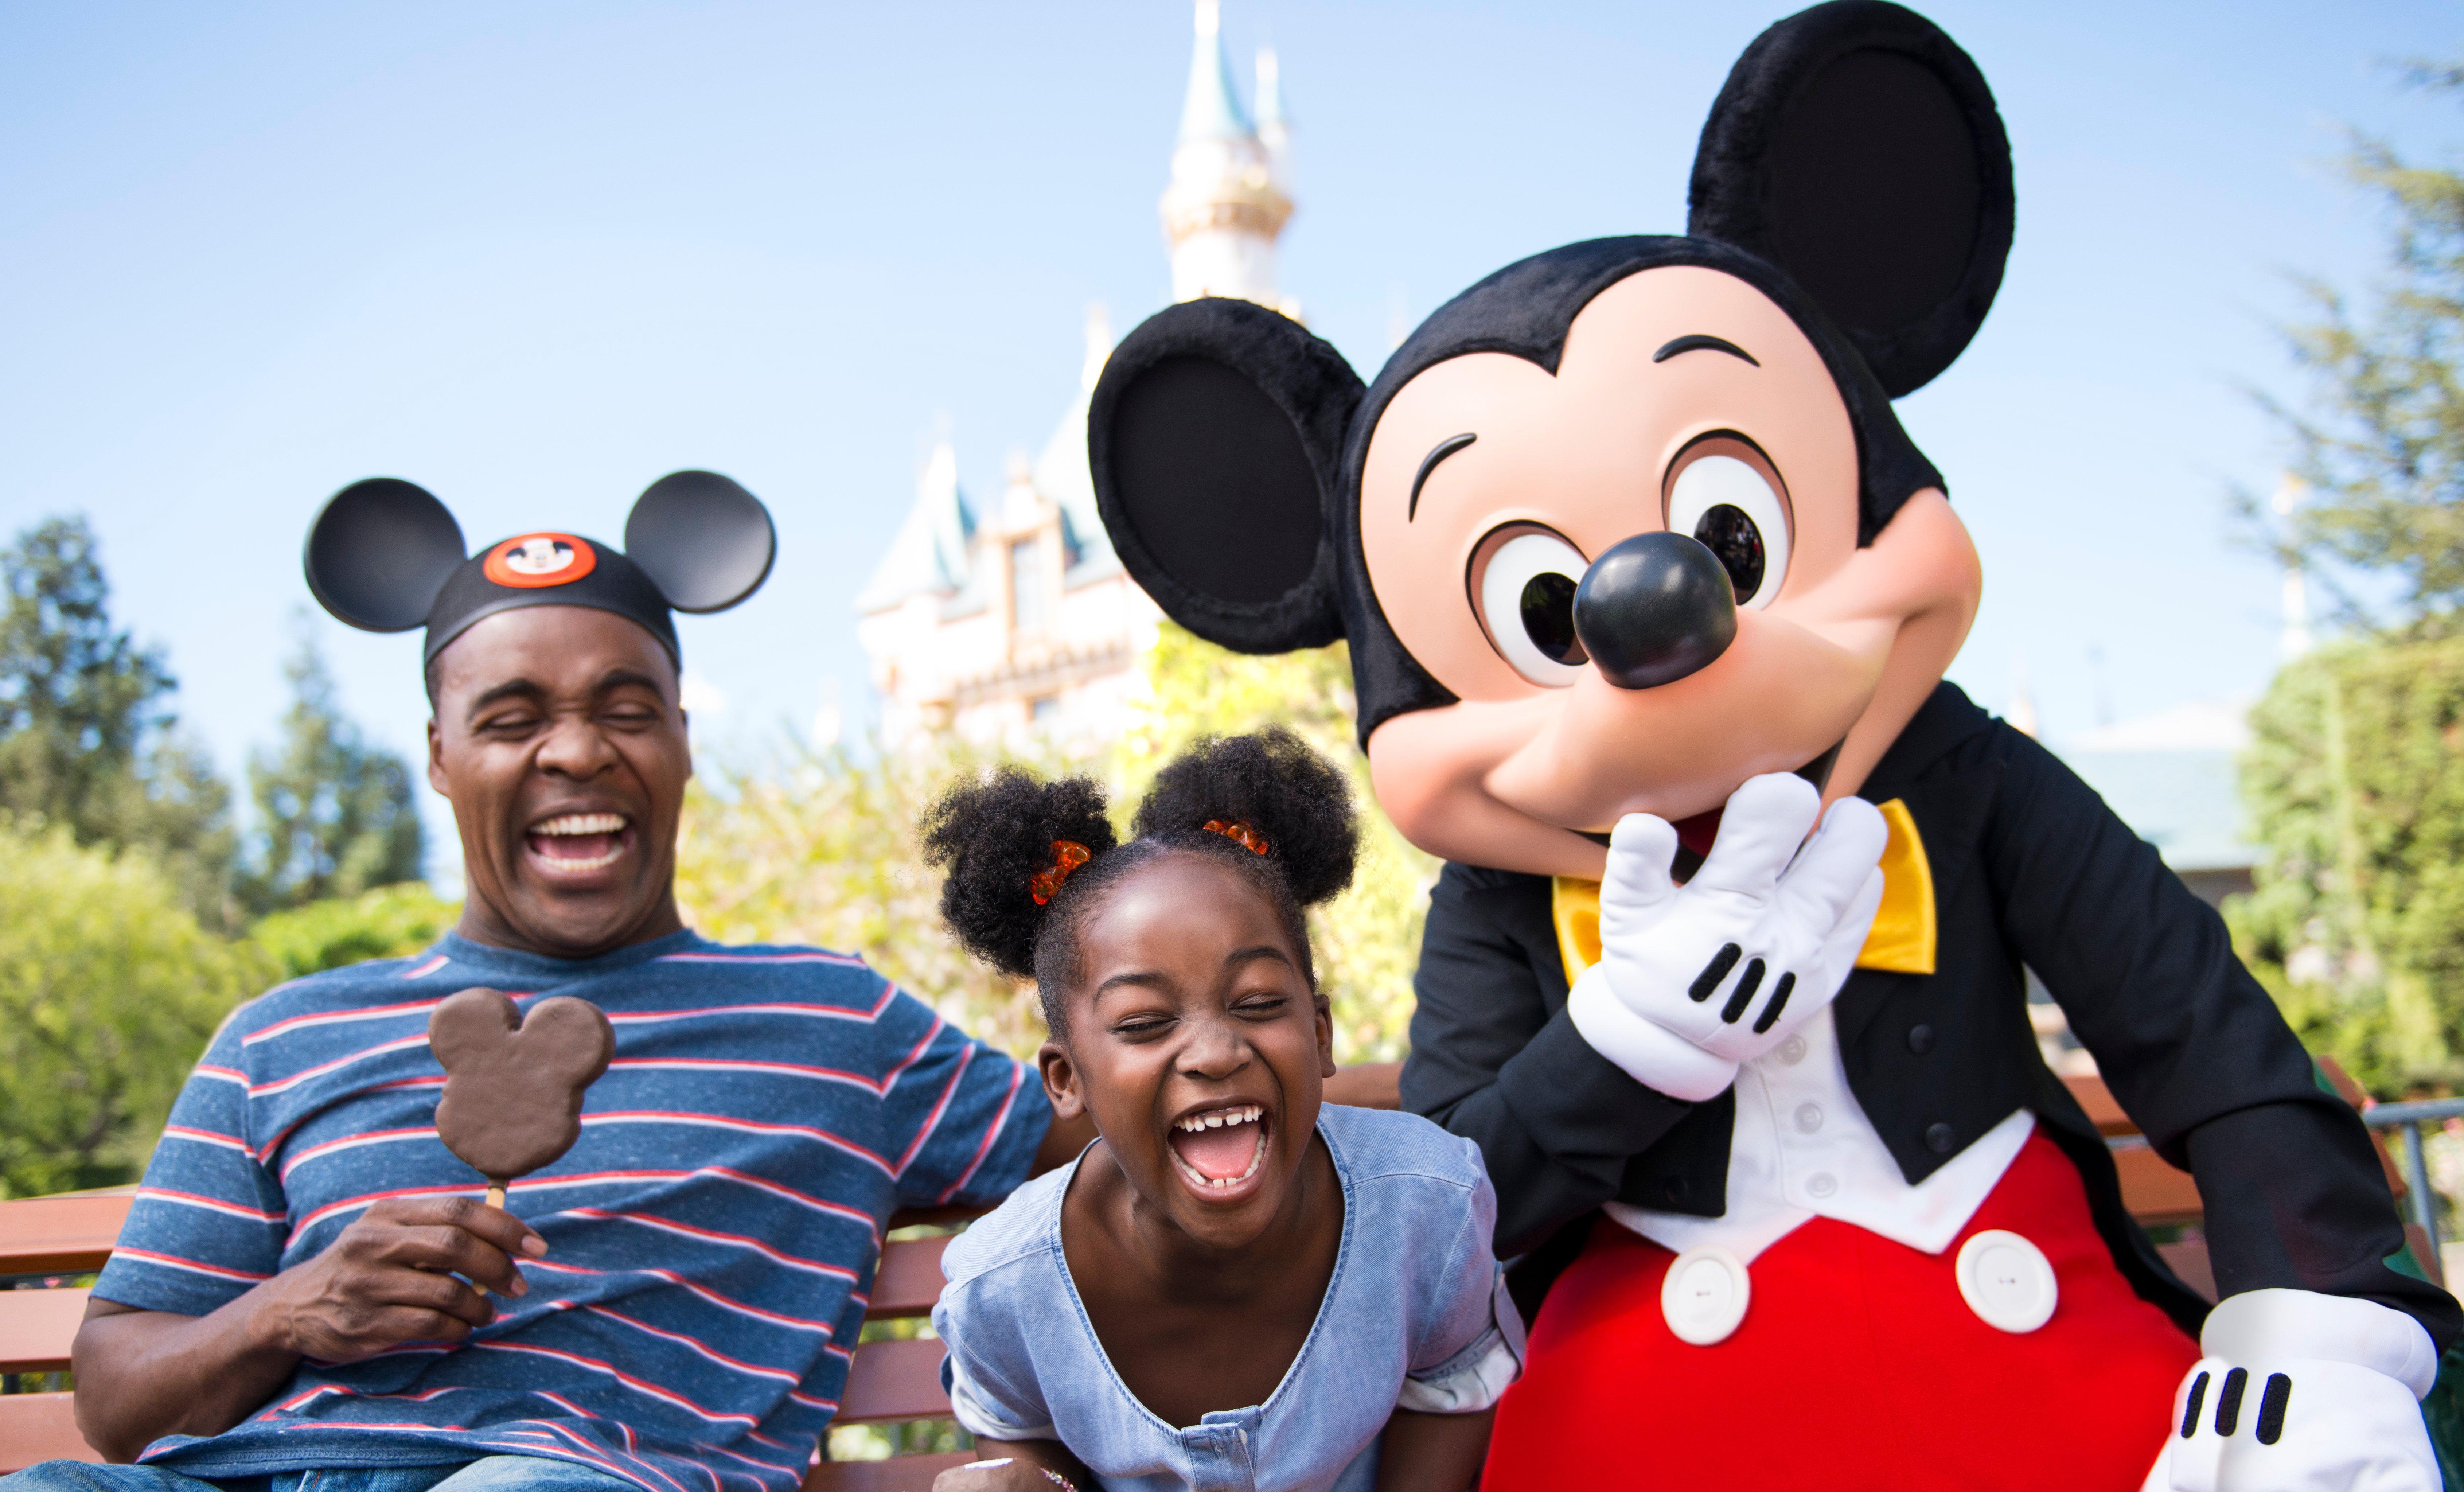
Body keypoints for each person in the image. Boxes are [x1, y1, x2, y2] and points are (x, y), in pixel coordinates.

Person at [7, 473, 1089, 1492]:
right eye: (512, 718)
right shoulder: (281, 1038)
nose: (576, 751)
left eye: (625, 708)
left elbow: (1131, 1137)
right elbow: (114, 1395)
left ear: (682, 737)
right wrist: (291, 1307)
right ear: (440, 755)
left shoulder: (839, 1022)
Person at [916, 731, 1521, 1492]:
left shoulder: (1427, 1207)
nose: (1214, 1051)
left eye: (1260, 1002)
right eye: (1143, 1021)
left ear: (1319, 1033)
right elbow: (1024, 1444)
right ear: (1067, 1078)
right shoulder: (1001, 1289)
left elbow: (1448, 1390)